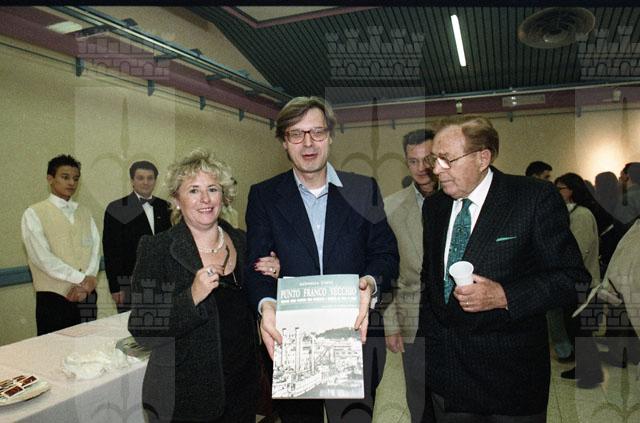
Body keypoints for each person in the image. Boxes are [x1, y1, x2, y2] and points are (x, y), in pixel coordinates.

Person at [419, 116, 589, 421]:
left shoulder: (532, 198)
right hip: (448, 381)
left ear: (482, 157)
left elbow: (573, 279)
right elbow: (429, 282)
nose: (437, 169)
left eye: (447, 159)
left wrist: (505, 296)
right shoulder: (435, 207)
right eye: (435, 159)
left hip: (510, 383)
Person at [246, 96, 399, 423]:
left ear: (330, 135)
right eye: (296, 134)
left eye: (316, 132)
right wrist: (266, 305)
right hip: (292, 343)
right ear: (284, 142)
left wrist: (369, 284)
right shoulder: (264, 196)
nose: (308, 143)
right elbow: (257, 265)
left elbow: (385, 254)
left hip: (356, 337)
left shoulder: (363, 189)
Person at [128, 150, 259, 422]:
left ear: (224, 196)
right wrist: (191, 296)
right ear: (177, 200)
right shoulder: (157, 249)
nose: (205, 199)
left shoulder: (244, 241)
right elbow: (143, 329)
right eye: (193, 190)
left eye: (212, 189)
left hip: (242, 392)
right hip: (185, 400)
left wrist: (272, 273)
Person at [383, 128, 437, 423]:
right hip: (413, 316)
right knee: (419, 399)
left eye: (427, 159)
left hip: (460, 317)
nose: (421, 168)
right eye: (413, 161)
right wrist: (391, 324)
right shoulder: (391, 207)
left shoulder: (461, 198)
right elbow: (388, 270)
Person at [21, 154, 100, 335]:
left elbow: (95, 249)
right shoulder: (34, 213)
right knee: (55, 349)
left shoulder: (85, 212)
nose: (71, 183)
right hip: (54, 298)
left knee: (88, 347)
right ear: (50, 179)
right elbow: (42, 258)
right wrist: (80, 279)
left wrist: (89, 279)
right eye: (65, 177)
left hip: (87, 295)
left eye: (76, 178)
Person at [554, 173, 604, 389]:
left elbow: (580, 250)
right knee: (576, 328)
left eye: (560, 188)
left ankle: (590, 371)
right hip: (572, 283)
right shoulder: (569, 214)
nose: (557, 193)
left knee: (582, 329)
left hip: (584, 283)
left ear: (571, 190)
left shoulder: (582, 215)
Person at [103, 161, 171, 313]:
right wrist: (115, 287)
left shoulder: (166, 207)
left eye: (150, 178)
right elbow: (111, 250)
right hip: (129, 284)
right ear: (132, 181)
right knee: (132, 324)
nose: (145, 182)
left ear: (155, 181)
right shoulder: (117, 208)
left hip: (163, 282)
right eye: (140, 178)